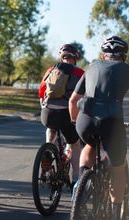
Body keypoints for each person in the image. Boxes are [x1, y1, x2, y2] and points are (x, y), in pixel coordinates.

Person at [69, 36, 129, 220]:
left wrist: (74, 121)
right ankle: (116, 213)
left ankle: (81, 186)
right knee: (117, 166)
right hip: (111, 122)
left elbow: (73, 100)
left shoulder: (91, 67)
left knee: (89, 145)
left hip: (85, 120)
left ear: (103, 54)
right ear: (124, 55)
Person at [38, 44, 84, 187]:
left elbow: (41, 95)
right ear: (75, 57)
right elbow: (87, 97)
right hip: (67, 114)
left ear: (61, 57)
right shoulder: (79, 73)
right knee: (75, 145)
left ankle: (47, 150)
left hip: (47, 113)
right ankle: (76, 182)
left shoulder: (50, 71)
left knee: (51, 129)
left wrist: (46, 109)